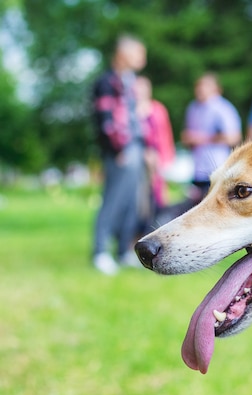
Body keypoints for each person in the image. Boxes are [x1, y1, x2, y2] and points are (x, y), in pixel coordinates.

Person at [92, 35, 147, 275]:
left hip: (135, 149)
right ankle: (100, 252)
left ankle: (123, 252)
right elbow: (105, 121)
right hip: (120, 152)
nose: (142, 59)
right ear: (123, 54)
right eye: (138, 53)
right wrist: (117, 149)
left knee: (130, 203)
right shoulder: (107, 82)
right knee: (112, 202)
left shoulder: (130, 81)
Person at [181, 73, 242, 199]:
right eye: (198, 86)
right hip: (198, 169)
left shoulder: (223, 108)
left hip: (217, 166)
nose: (200, 90)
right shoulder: (193, 108)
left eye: (204, 86)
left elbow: (234, 137)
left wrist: (204, 139)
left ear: (215, 88)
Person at [135, 76, 175, 210]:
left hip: (156, 158)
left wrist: (165, 159)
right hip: (138, 158)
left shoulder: (158, 109)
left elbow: (165, 135)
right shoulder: (130, 110)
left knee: (158, 193)